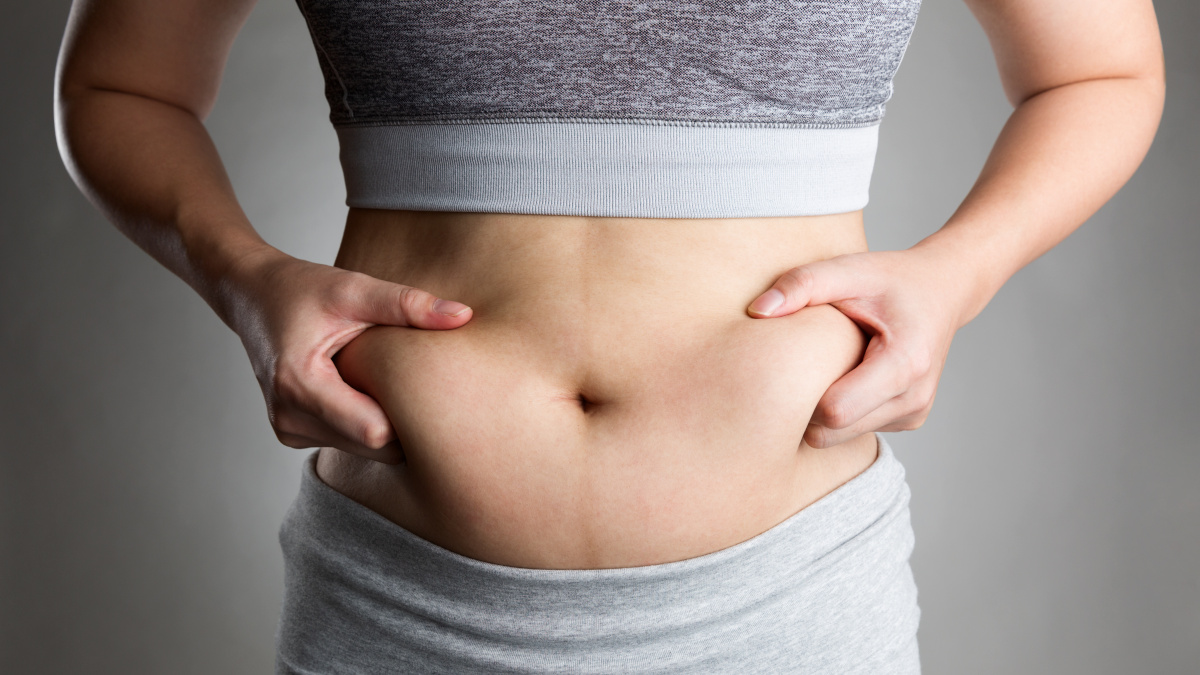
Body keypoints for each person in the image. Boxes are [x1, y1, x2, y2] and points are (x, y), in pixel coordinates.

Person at [54, 0, 1164, 672]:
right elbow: (120, 82)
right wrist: (248, 283)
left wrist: (956, 275)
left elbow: (1102, 67)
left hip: (788, 607)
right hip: (405, 607)